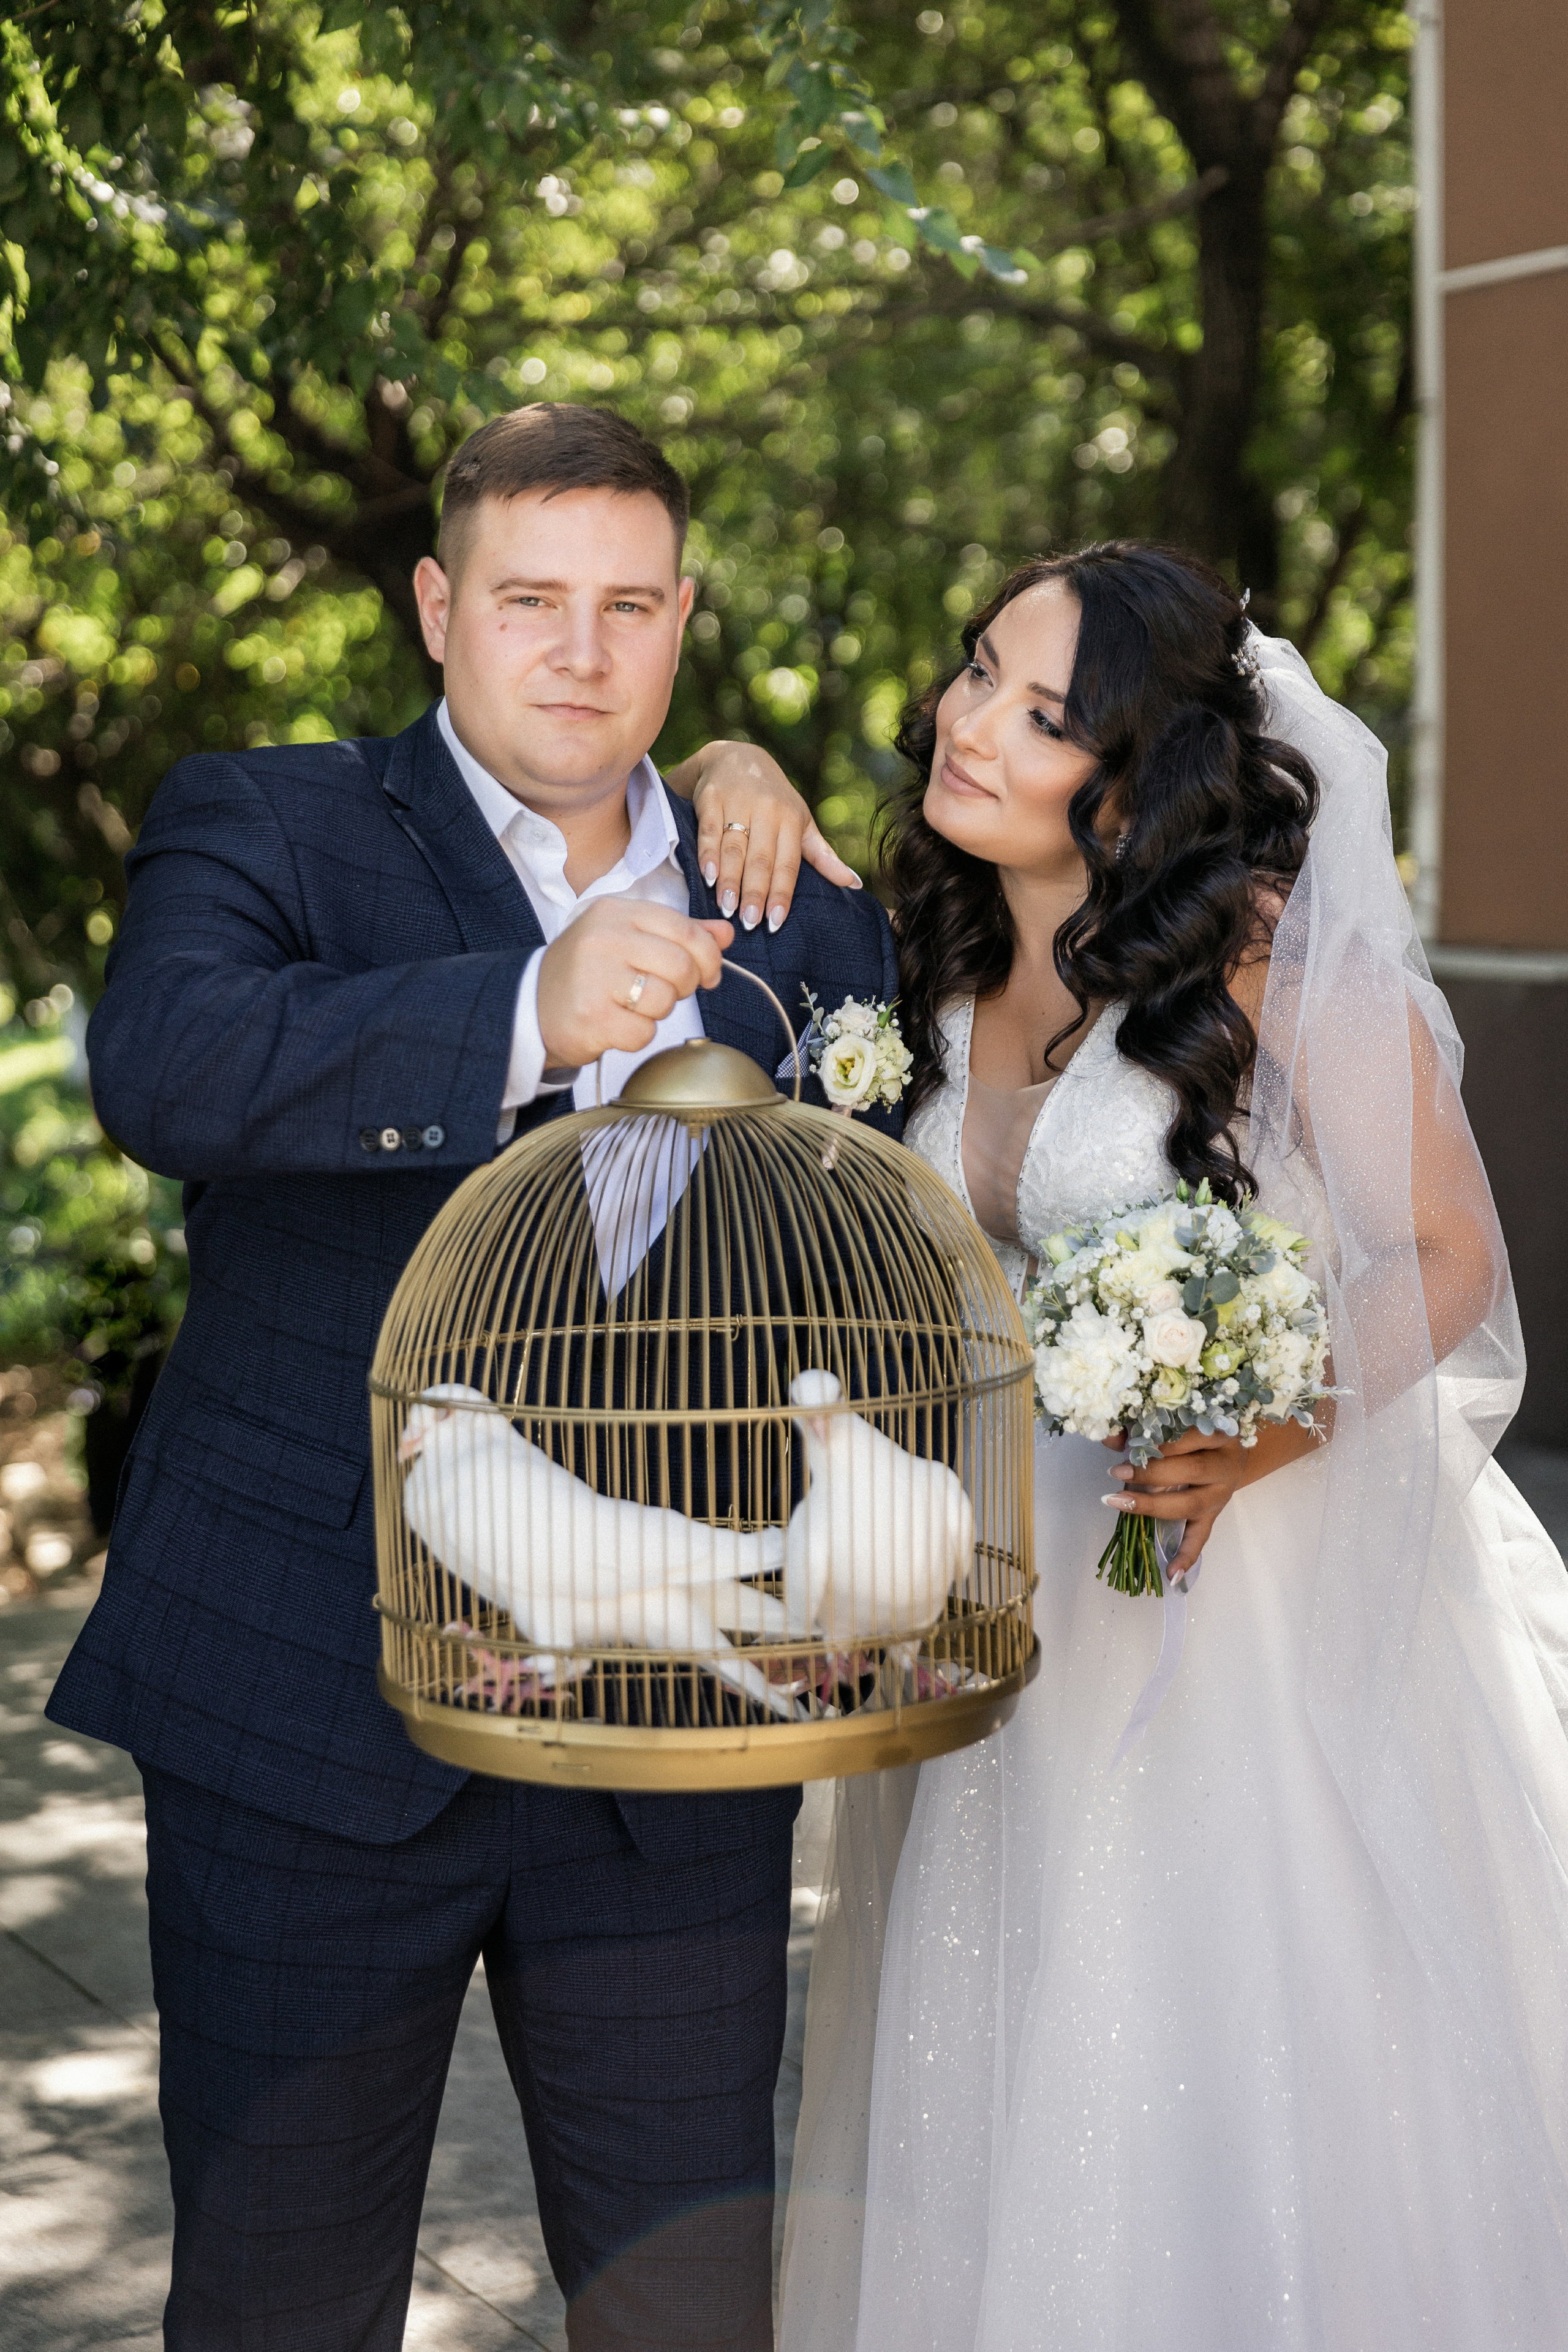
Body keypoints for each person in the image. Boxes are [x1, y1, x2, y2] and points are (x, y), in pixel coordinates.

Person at [45, 400, 897, 2352]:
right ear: (440, 606)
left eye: (626, 606)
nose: (580, 653)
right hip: (308, 1699)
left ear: (685, 622)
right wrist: (522, 1006)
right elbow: (167, 1070)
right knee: (279, 2304)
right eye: (530, 600)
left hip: (677, 1732)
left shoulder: (800, 900)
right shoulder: (268, 818)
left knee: (690, 2313)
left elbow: (901, 1218)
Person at [710, 544, 1568, 2349]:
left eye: (1041, 716)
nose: (970, 726)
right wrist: (731, 763)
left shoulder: (1254, 957)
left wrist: (1277, 1425)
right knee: (993, 2033)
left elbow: (1449, 1253)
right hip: (998, 1601)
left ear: (1137, 774)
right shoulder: (916, 954)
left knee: (1223, 2022)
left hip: (1240, 1600)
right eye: (974, 674)